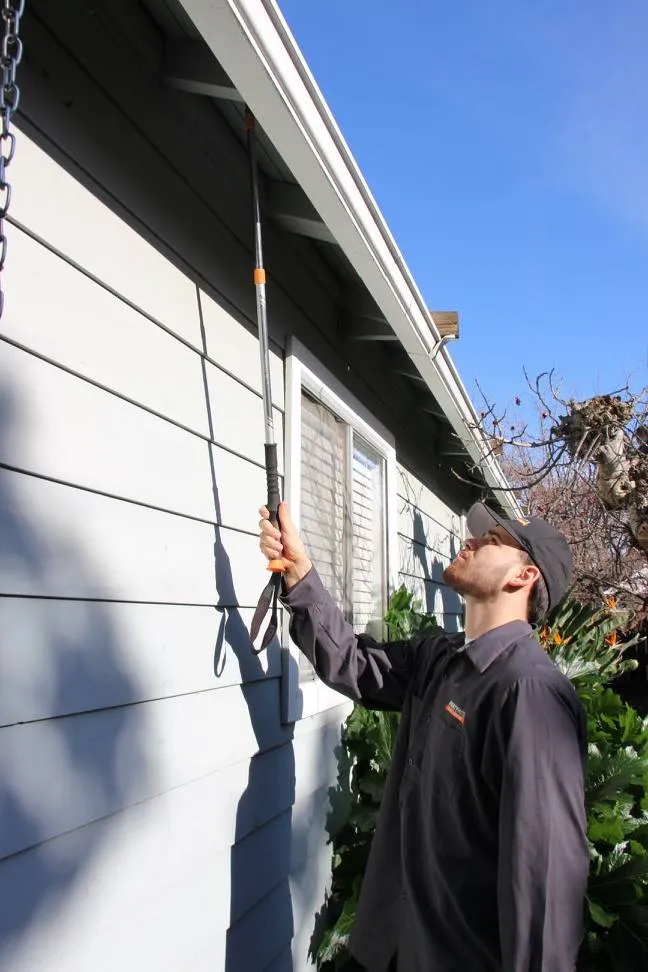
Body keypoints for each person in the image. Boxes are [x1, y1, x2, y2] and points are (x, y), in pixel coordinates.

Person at [259, 501, 589, 972]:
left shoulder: (528, 693)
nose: (470, 540)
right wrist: (299, 572)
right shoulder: (439, 657)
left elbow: (544, 880)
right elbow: (355, 663)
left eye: (493, 541)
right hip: (389, 945)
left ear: (524, 577)